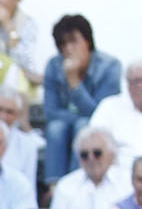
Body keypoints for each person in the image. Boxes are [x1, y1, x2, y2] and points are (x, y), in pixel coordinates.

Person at [42, 14, 121, 186]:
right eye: (63, 44)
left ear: (88, 41)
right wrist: (76, 118)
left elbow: (102, 112)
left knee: (83, 126)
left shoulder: (110, 66)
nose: (69, 49)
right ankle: (54, 186)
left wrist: (74, 82)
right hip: (65, 123)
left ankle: (78, 183)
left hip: (94, 126)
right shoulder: (54, 65)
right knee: (56, 128)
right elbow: (50, 111)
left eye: (73, 41)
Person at [89, 62, 142, 166]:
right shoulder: (109, 106)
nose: (140, 86)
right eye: (135, 81)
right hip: (120, 170)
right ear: (127, 84)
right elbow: (93, 140)